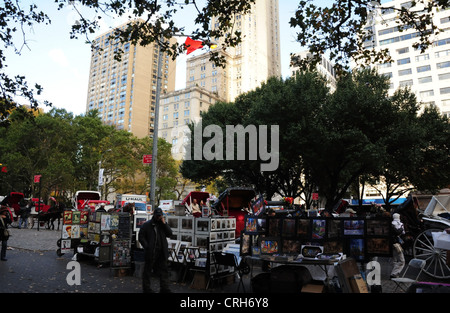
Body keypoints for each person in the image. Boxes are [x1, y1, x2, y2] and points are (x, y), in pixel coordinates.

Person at [138, 207, 173, 293]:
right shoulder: (147, 225)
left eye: (160, 216)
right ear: (154, 215)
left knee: (164, 270)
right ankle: (147, 289)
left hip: (161, 251)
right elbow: (141, 237)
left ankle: (164, 288)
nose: (158, 217)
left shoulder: (162, 224)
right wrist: (147, 246)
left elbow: (170, 233)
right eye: (157, 216)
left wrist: (164, 224)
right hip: (152, 251)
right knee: (148, 270)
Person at [391, 213, 405, 278]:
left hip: (391, 243)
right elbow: (403, 233)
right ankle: (394, 273)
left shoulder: (391, 223)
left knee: (394, 259)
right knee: (402, 260)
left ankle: (394, 273)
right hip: (397, 244)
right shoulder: (401, 224)